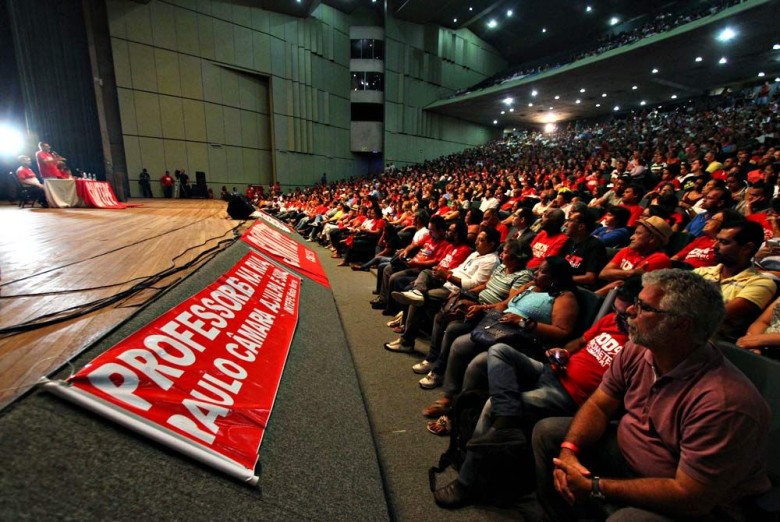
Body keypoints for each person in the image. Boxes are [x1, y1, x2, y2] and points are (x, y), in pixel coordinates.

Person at [533, 269, 771, 521]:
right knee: (549, 433)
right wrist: (569, 452)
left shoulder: (725, 403)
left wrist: (595, 486)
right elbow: (600, 405)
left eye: (644, 308)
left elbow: (690, 495)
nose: (629, 312)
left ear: (681, 325)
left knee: (628, 519)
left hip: (700, 502)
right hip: (630, 453)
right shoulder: (637, 348)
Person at [433, 278, 640, 509]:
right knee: (499, 350)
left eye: (626, 315)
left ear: (638, 309)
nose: (620, 318)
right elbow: (580, 341)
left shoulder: (640, 347)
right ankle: (507, 420)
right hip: (553, 370)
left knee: (494, 404)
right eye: (617, 311)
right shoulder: (611, 320)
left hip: (570, 396)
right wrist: (563, 351)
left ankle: (466, 482)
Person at [422, 257, 579, 420]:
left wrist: (524, 322)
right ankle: (449, 397)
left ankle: (459, 412)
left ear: (555, 277)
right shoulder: (531, 286)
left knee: (478, 363)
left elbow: (562, 332)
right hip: (499, 330)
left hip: (524, 343)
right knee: (460, 344)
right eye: (537, 269)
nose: (536, 273)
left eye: (542, 272)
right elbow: (503, 305)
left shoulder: (564, 298)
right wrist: (480, 308)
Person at [693, 220, 776, 342]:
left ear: (747, 248)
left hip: (711, 346)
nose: (714, 246)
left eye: (724, 242)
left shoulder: (762, 283)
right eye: (717, 240)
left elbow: (719, 315)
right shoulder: (701, 271)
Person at [597, 216, 672, 294]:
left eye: (638, 233)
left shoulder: (660, 259)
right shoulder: (628, 250)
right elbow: (604, 273)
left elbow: (626, 287)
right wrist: (631, 273)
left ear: (652, 238)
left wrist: (616, 273)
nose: (631, 237)